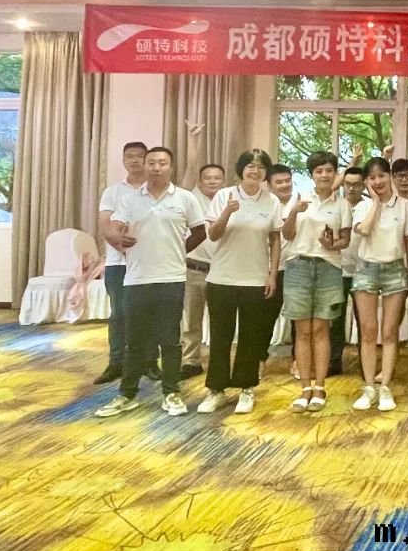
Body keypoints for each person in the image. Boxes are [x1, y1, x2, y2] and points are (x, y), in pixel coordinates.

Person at [96, 147, 206, 418]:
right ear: (146, 166)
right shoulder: (130, 199)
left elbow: (200, 231)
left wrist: (179, 251)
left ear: (171, 167)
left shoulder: (185, 198)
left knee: (170, 341)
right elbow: (115, 228)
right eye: (152, 163)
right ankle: (127, 394)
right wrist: (118, 239)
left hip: (171, 278)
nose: (157, 167)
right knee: (134, 341)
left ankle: (171, 393)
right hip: (136, 279)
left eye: (162, 163)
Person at [197, 150, 283, 415]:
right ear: (241, 169)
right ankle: (216, 390)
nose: (255, 170)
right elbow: (213, 234)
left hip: (255, 279)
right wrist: (227, 211)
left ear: (265, 172)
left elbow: (275, 239)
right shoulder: (224, 195)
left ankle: (247, 388)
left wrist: (272, 274)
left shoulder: (271, 201)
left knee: (250, 337)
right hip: (221, 278)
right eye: (250, 165)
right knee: (220, 337)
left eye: (260, 167)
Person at [282, 151, 352, 412]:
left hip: (329, 267)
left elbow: (345, 241)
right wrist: (294, 212)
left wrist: (331, 244)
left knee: (321, 329)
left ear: (335, 173)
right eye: (319, 171)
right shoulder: (300, 198)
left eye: (329, 170)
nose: (324, 175)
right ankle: (304, 388)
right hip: (298, 265)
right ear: (311, 174)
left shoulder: (342, 204)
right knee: (302, 330)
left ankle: (320, 387)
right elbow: (287, 234)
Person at [351, 156, 408, 412]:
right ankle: (369, 387)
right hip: (366, 268)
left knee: (389, 332)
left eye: (381, 176)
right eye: (372, 177)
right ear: (366, 181)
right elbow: (364, 230)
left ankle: (385, 386)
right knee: (368, 331)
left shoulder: (405, 206)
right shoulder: (362, 206)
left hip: (395, 269)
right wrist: (376, 203)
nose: (377, 181)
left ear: (390, 176)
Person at [94, 141, 152, 385]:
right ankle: (116, 362)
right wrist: (123, 249)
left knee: (149, 313)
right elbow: (106, 226)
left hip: (150, 263)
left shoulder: (155, 190)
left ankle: (149, 362)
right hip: (118, 263)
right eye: (130, 156)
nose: (134, 160)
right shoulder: (113, 192)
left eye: (139, 156)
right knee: (118, 314)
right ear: (123, 160)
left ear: (147, 159)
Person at [180, 162, 224, 379]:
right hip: (194, 268)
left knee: (220, 320)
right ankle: (191, 361)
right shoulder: (190, 199)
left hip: (222, 270)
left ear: (223, 181)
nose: (213, 181)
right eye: (208, 178)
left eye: (217, 178)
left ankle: (219, 361)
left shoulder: (228, 201)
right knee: (191, 319)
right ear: (200, 180)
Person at [333, 165, 367, 376]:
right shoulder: (336, 205)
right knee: (334, 320)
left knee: (365, 322)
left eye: (357, 184)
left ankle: (366, 365)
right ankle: (333, 363)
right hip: (337, 271)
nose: (352, 188)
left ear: (364, 185)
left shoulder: (369, 206)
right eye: (348, 184)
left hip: (363, 272)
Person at [263, 164, 295, 374]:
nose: (284, 185)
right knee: (265, 318)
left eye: (287, 181)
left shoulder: (301, 201)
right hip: (269, 270)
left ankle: (298, 360)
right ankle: (259, 359)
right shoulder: (265, 205)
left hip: (296, 268)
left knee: (299, 319)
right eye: (279, 182)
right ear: (269, 184)